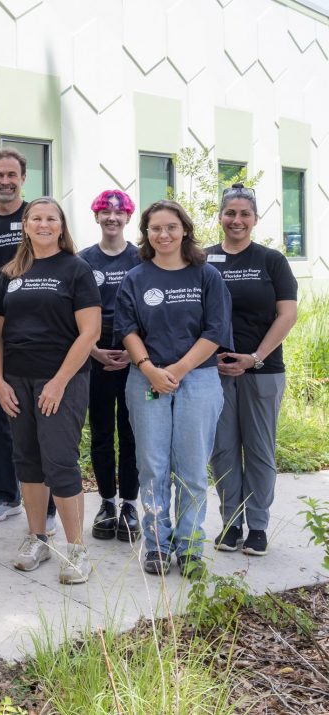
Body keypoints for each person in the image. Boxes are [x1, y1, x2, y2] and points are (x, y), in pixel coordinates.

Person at [115, 200, 232, 578]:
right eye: (155, 229)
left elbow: (215, 331)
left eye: (170, 227)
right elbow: (127, 329)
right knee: (152, 466)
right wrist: (150, 369)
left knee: (193, 468)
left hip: (197, 379)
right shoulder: (135, 277)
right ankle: (157, 547)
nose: (163, 234)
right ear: (146, 234)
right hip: (146, 379)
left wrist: (178, 370)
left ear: (184, 229)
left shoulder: (206, 275)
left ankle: (190, 547)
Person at [0, 197, 101, 584]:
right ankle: (37, 539)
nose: (43, 224)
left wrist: (58, 381)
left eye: (51, 218)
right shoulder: (11, 271)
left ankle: (76, 551)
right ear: (25, 225)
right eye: (35, 218)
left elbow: (90, 332)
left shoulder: (77, 269)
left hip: (61, 381)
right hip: (17, 380)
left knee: (60, 462)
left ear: (61, 226)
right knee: (28, 461)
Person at [207, 184, 298, 557]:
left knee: (259, 449)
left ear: (255, 219)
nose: (237, 220)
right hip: (213, 370)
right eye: (230, 213)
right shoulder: (204, 259)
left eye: (245, 214)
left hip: (262, 369)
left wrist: (255, 357)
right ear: (220, 217)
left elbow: (287, 314)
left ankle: (257, 525)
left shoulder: (271, 260)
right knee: (223, 449)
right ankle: (231, 523)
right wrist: (204, 357)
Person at [0, 148, 55, 529]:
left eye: (12, 175)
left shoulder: (38, 218)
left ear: (23, 179)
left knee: (40, 419)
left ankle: (49, 506)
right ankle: (6, 495)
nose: (5, 181)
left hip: (36, 331)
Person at [79, 190, 141, 543]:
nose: (112, 218)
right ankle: (106, 502)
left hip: (135, 358)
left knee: (131, 434)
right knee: (101, 433)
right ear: (97, 217)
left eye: (119, 213)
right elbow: (73, 313)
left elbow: (150, 313)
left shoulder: (141, 258)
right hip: (95, 356)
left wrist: (135, 354)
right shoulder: (84, 260)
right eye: (106, 212)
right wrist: (93, 351)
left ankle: (130, 504)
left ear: (128, 217)